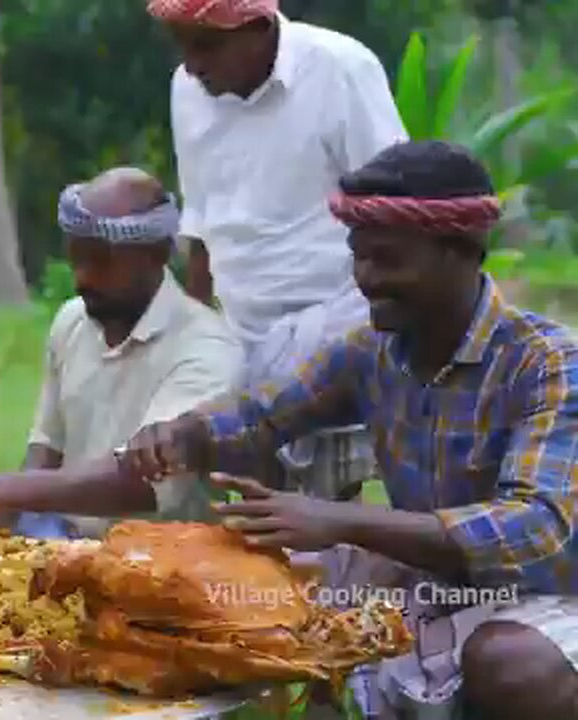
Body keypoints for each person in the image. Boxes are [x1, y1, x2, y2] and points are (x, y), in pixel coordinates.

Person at [120, 140, 578, 719]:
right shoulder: (374, 351)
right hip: (434, 588)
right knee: (248, 602)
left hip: (551, 598)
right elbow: (263, 414)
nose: (364, 279)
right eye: (358, 258)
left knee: (507, 663)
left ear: (462, 250)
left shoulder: (547, 364)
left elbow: (535, 525)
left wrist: (339, 520)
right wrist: (184, 432)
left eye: (387, 260)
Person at [147, 0, 410, 500]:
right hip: (239, 317)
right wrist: (195, 330)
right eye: (180, 45)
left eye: (206, 45)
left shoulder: (340, 69)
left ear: (258, 26)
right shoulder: (187, 87)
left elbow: (393, 207)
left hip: (337, 311)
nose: (191, 63)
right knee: (178, 438)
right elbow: (200, 219)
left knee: (308, 510)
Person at [0, 167, 243, 537]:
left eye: (101, 262)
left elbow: (142, 484)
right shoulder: (72, 320)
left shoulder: (206, 351)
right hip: (64, 549)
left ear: (157, 254)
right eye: (76, 257)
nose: (82, 277)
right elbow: (46, 450)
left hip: (160, 570)